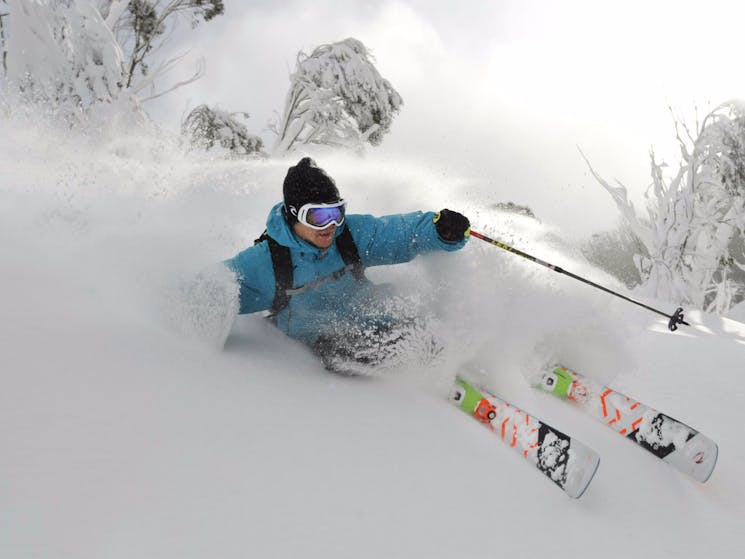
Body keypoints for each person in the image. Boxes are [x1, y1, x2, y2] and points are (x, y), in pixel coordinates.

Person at [224, 157, 470, 374]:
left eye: (336, 212)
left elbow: (403, 233)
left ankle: (448, 362)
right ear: (293, 214)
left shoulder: (349, 235)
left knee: (418, 320)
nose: (330, 225)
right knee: (353, 347)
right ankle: (419, 367)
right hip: (326, 339)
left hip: (371, 314)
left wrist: (440, 231)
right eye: (319, 217)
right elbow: (212, 288)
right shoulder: (267, 262)